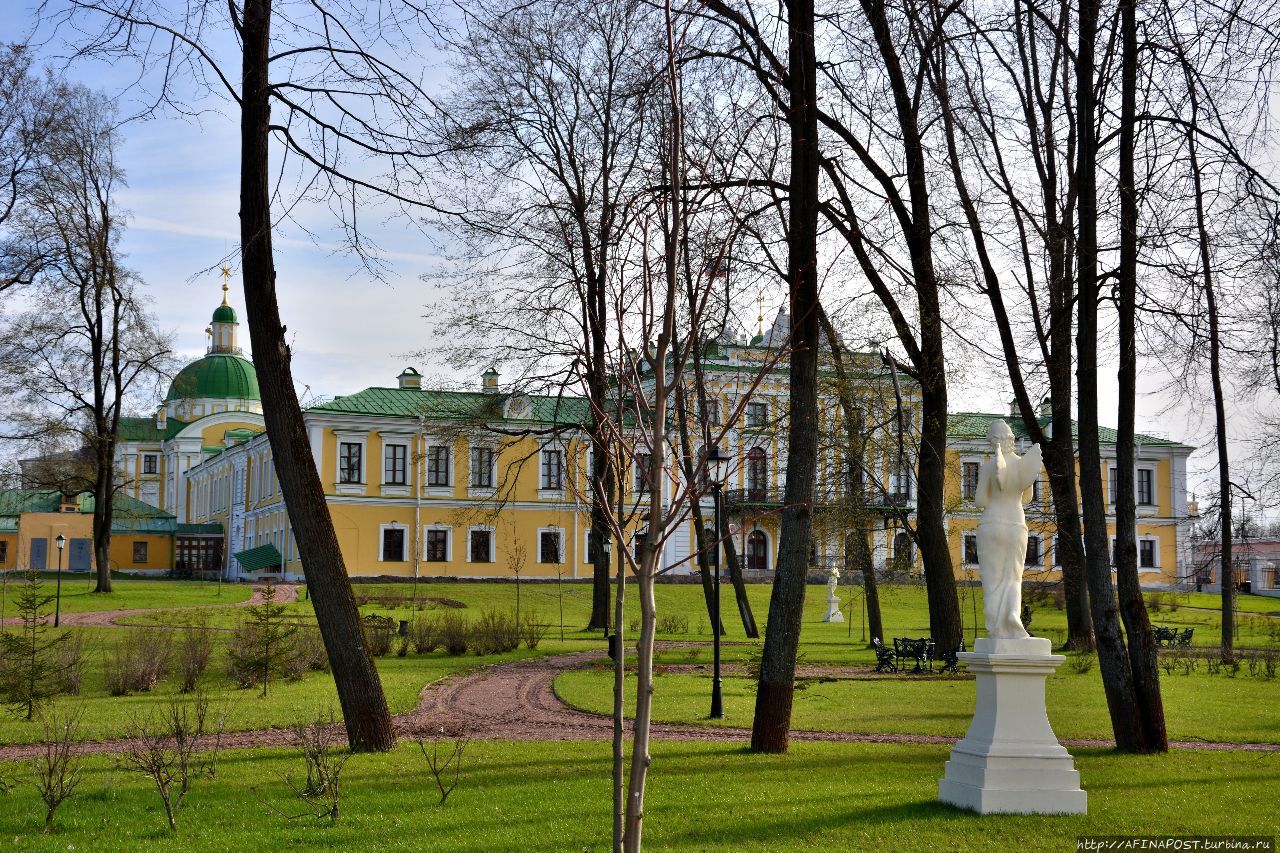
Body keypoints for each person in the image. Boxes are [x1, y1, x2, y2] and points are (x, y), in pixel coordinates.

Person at [974, 420, 1042, 639]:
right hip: (1016, 524)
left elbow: (979, 500)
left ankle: (996, 627)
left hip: (992, 523)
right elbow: (1028, 497)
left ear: (993, 441)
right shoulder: (1024, 465)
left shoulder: (987, 467)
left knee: (992, 578)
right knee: (1014, 577)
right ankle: (1013, 616)